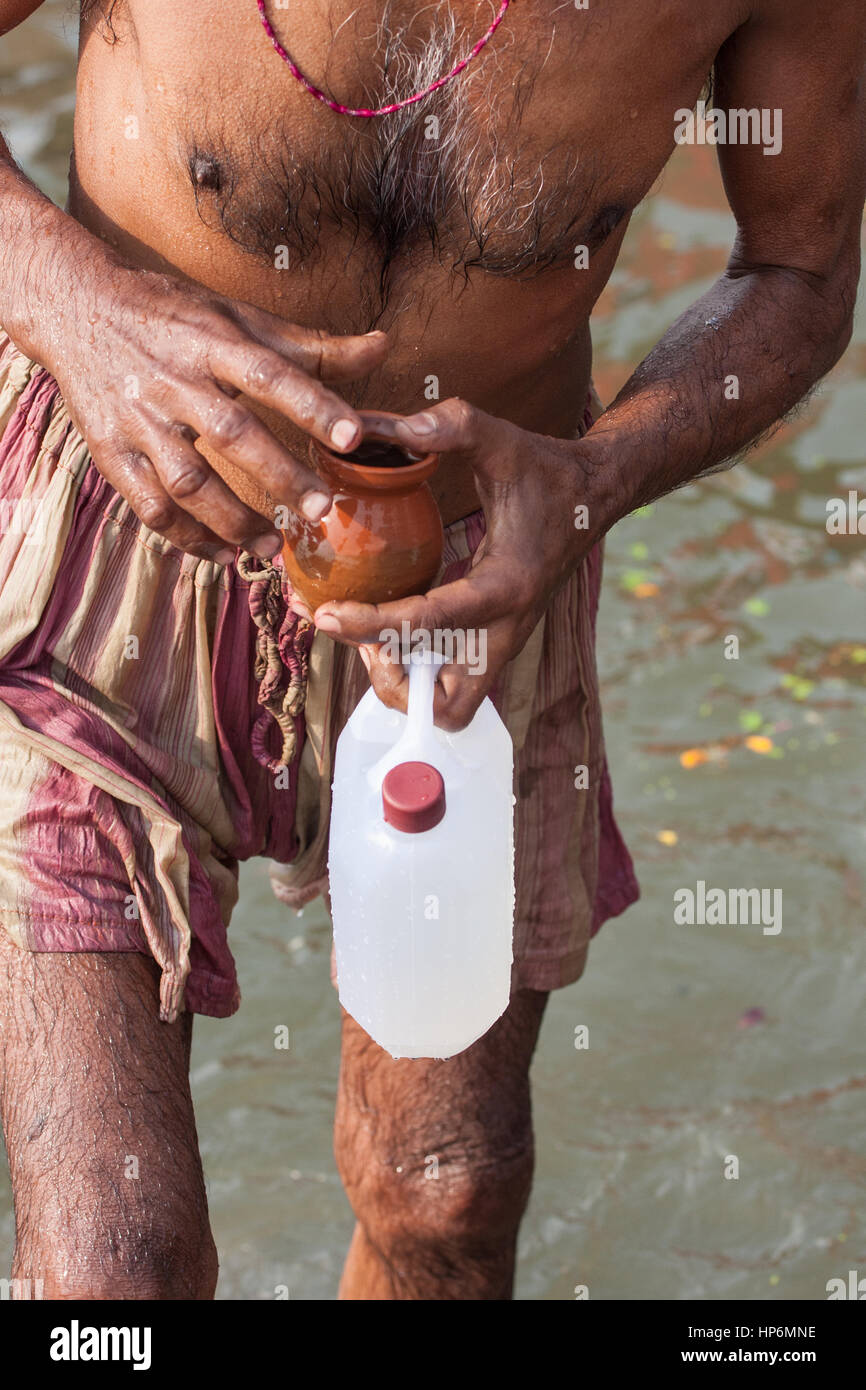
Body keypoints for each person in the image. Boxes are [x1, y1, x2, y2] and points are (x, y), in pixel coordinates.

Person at [0, 0, 862, 1300]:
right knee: (113, 1266)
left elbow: (798, 268)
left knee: (445, 1189)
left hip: (483, 573)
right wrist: (76, 304)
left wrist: (594, 477)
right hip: (111, 520)